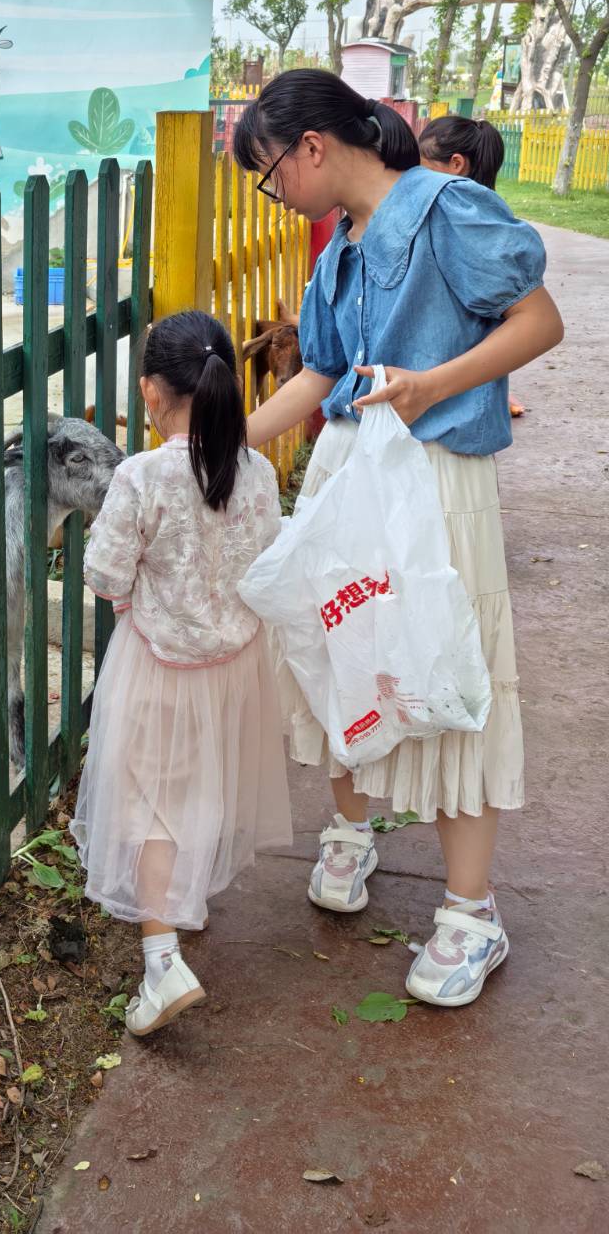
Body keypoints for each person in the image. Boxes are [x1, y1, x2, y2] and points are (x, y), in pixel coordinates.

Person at [238, 71, 563, 1008]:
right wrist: (221, 444)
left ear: (311, 147)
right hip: (351, 472)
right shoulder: (341, 245)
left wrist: (433, 383)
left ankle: (470, 913)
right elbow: (322, 373)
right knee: (341, 646)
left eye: (268, 170)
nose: (273, 191)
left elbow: (540, 321)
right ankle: (350, 833)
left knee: (449, 667)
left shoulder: (446, 209)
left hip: (437, 479)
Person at [71, 311, 292, 1038]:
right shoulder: (256, 470)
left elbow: (105, 574)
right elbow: (265, 563)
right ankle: (185, 898)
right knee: (199, 788)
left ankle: (161, 960)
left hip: (159, 666)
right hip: (234, 666)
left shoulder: (143, 475)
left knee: (147, 802)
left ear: (150, 391)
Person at [419, 114, 525, 414]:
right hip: (469, 378)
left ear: (456, 164)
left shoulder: (464, 226)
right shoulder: (484, 216)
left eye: (421, 167)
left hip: (453, 393)